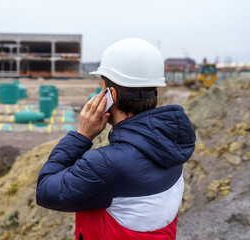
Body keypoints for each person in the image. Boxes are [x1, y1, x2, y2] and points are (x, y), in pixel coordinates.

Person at [36, 38, 196, 240]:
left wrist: (81, 136)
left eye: (100, 88)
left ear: (111, 94)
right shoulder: (171, 145)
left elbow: (45, 191)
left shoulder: (105, 164)